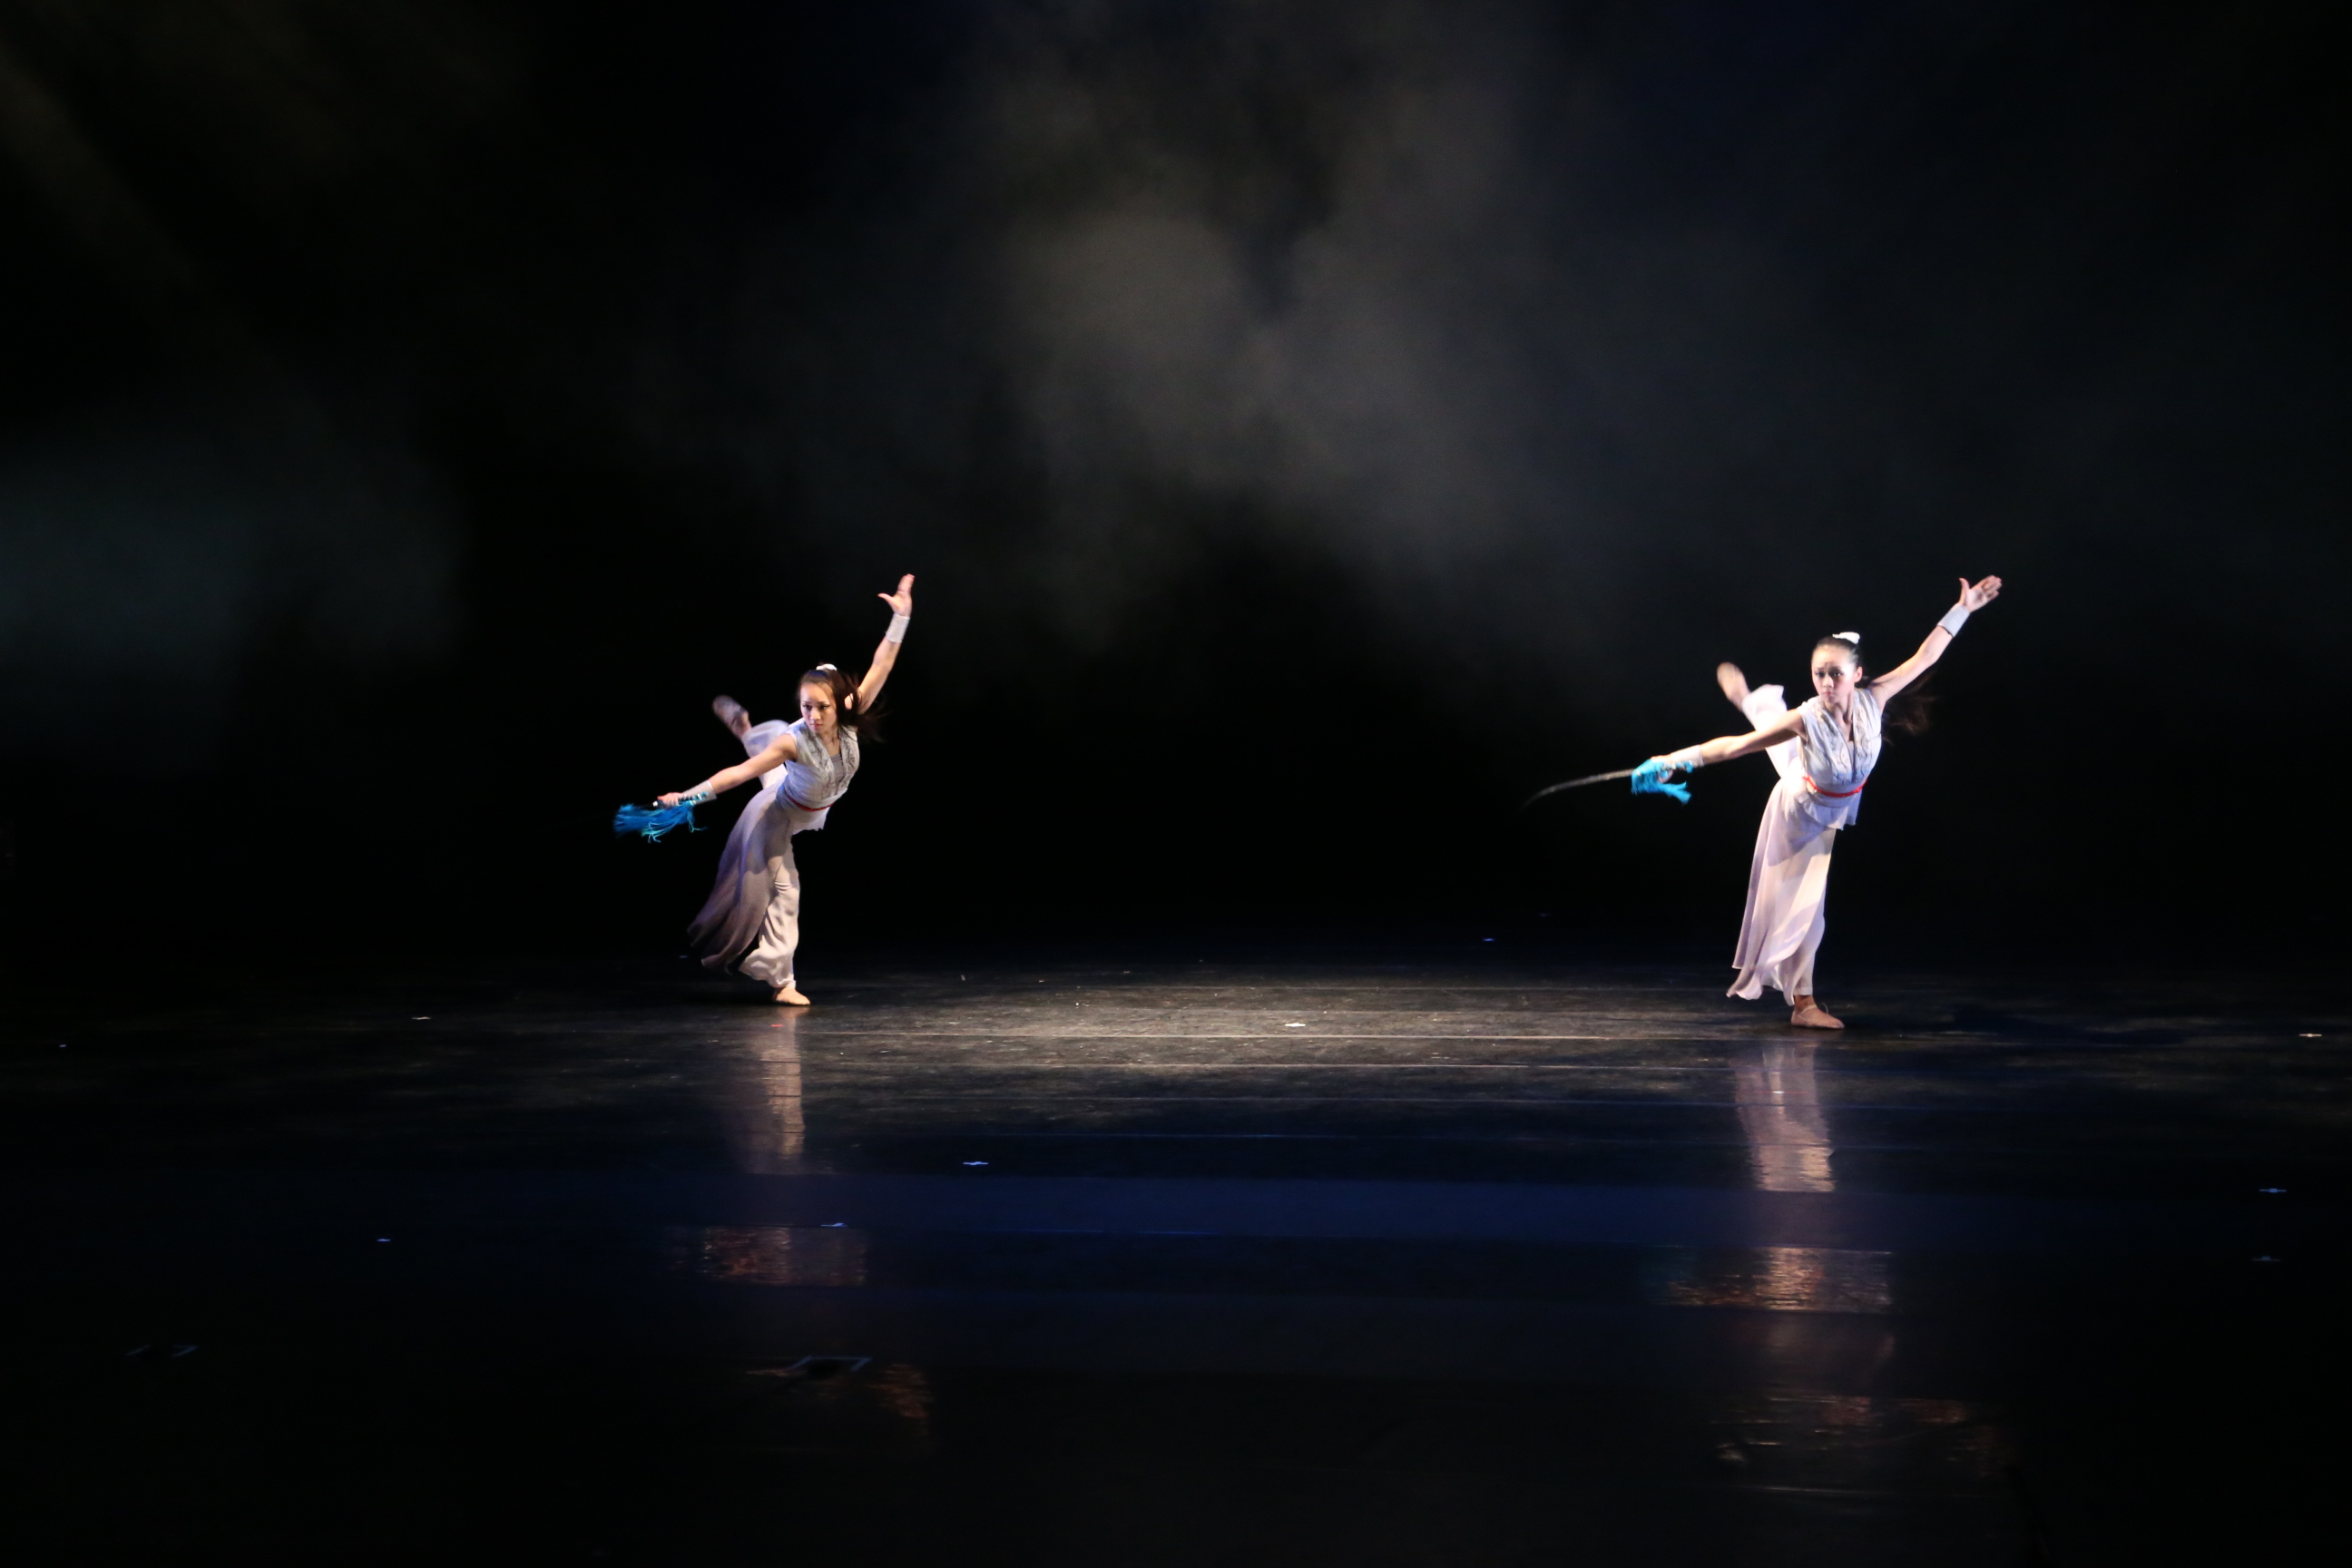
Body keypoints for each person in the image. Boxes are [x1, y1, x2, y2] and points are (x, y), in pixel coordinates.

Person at [1640, 576, 2003, 1029]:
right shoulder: (1807, 717)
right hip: (1802, 809)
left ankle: (1751, 700)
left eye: (1835, 673)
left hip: (1829, 789)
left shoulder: (1875, 698)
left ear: (1857, 674)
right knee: (1806, 908)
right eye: (1818, 674)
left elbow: (1926, 655)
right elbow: (1734, 748)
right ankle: (1804, 1006)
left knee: (1785, 751)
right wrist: (1672, 760)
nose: (1827, 682)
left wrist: (1963, 608)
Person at [653, 575, 914, 1004]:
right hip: (779, 811)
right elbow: (738, 775)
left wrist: (900, 618)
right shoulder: (795, 740)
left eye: (821, 707)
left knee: (773, 761)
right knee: (785, 891)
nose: (813, 716)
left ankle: (746, 730)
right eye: (806, 706)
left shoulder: (851, 712)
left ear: (840, 702)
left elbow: (882, 665)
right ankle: (782, 983)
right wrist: (685, 797)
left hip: (807, 797)